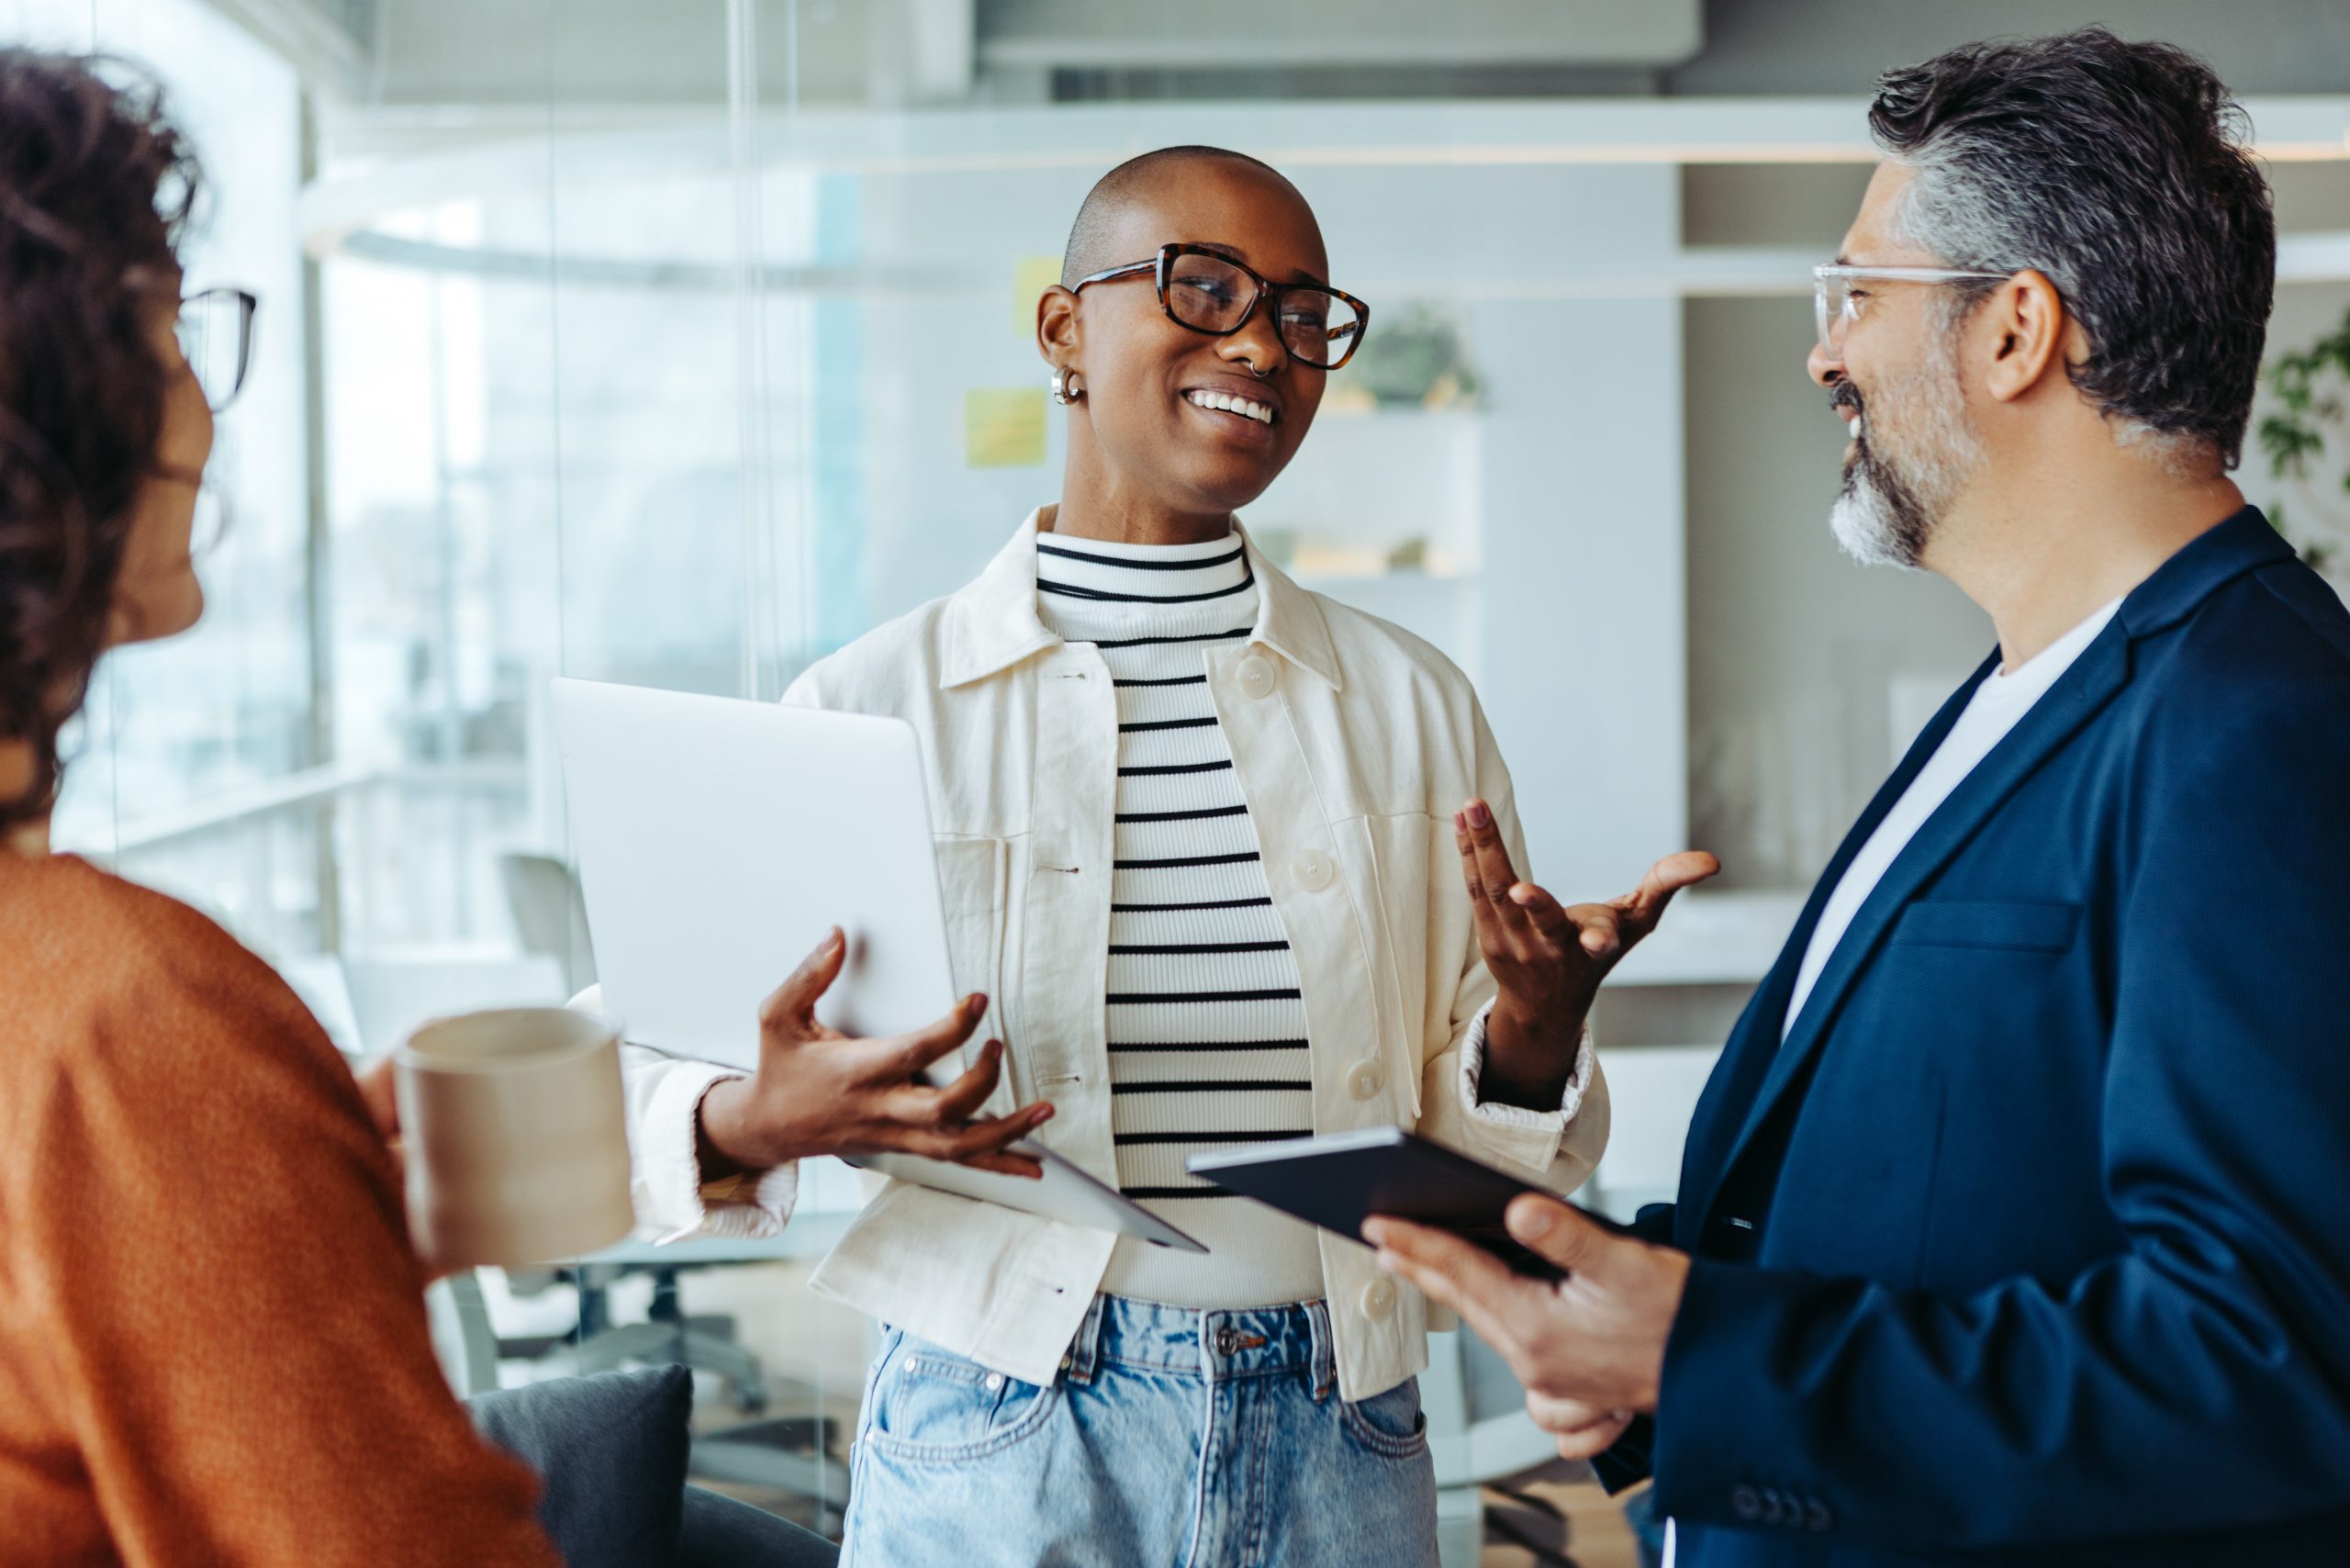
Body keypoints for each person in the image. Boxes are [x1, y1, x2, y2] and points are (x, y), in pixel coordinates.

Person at [616, 143, 1712, 1565]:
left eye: (1305, 314)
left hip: (1340, 1420)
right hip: (999, 1422)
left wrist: (1533, 1034)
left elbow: (1470, 1144)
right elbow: (656, 1063)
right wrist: (748, 1122)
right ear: (1064, 329)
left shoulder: (1408, 701)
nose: (1261, 340)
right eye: (1204, 289)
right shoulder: (868, 706)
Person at [1368, 28, 2350, 1568]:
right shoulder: (2017, 691)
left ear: (2018, 329)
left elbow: (2273, 1352)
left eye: (1857, 295)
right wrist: (1637, 1342)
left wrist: (1718, 1364)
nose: (1825, 353)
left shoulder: (2264, 724)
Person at [0, 49, 566, 1564]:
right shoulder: (126, 1029)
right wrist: (226, 1165)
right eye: (160, 322)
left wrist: (286, 1214)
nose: (197, 389)